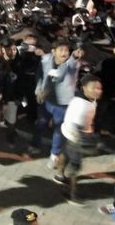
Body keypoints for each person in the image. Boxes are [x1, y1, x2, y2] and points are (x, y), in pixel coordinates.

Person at [54, 74, 103, 205]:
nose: (98, 91)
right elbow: (75, 126)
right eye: (94, 88)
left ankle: (59, 175)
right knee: (75, 168)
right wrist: (86, 140)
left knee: (64, 154)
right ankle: (72, 194)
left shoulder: (88, 99)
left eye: (99, 88)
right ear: (84, 88)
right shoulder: (81, 105)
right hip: (75, 138)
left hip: (68, 133)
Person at [31, 40, 79, 168]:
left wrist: (74, 56)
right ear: (53, 52)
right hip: (46, 100)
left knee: (58, 130)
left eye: (67, 50)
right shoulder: (46, 60)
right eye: (61, 50)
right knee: (41, 122)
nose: (65, 53)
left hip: (63, 103)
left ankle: (54, 155)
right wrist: (38, 92)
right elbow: (40, 76)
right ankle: (35, 144)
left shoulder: (72, 64)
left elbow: (72, 62)